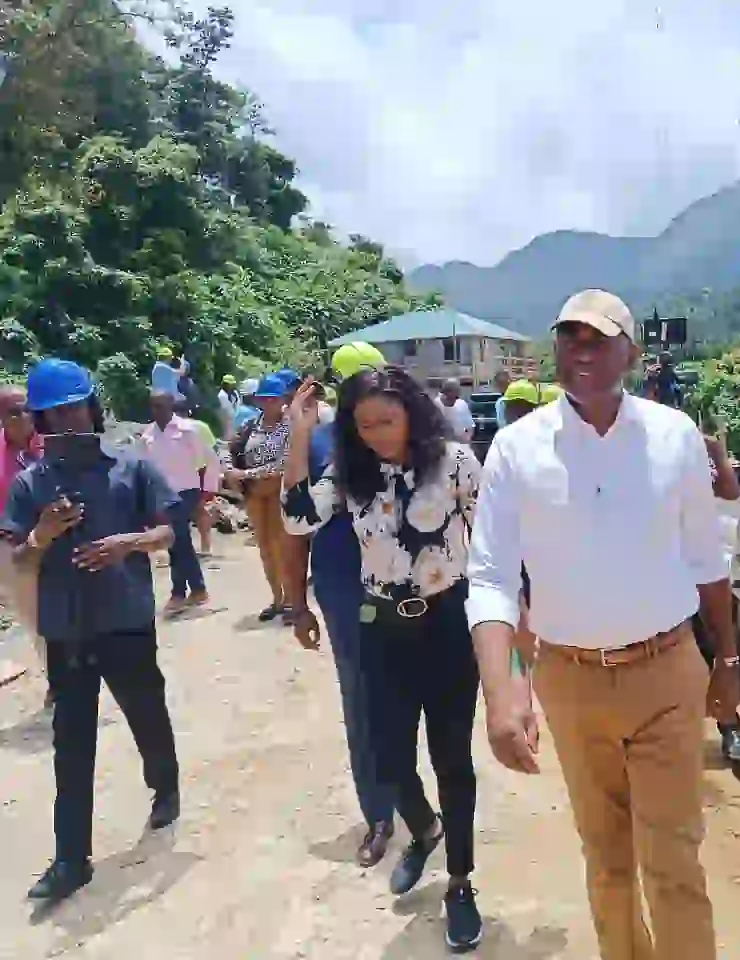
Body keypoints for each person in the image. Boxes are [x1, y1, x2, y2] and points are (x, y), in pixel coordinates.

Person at [468, 289, 736, 960]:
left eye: (598, 339)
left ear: (631, 354)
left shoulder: (674, 435)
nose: (581, 352)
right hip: (570, 679)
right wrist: (504, 692)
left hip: (666, 672)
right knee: (607, 858)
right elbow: (493, 579)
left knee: (673, 861)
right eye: (569, 338)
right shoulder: (515, 449)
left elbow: (707, 560)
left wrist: (727, 663)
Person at [282, 365, 485, 952]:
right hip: (382, 629)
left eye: (386, 421)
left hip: (446, 626)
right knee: (390, 761)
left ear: (411, 414)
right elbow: (296, 516)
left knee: (452, 760)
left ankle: (462, 884)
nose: (376, 434)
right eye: (363, 424)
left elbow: (494, 539)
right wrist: (300, 432)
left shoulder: (453, 462)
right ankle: (424, 829)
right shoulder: (352, 473)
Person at [3, 360, 181, 904]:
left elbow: (169, 532)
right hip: (68, 630)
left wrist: (126, 544)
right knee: (71, 744)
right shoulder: (31, 483)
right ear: (38, 421)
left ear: (92, 408)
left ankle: (165, 785)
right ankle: (70, 858)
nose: (66, 422)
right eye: (53, 415)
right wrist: (41, 535)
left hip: (124, 620)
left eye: (75, 409)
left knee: (145, 711)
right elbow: (18, 559)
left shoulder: (132, 466)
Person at [280, 342, 396, 871]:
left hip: (402, 590)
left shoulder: (405, 437)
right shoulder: (324, 445)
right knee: (363, 703)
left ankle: (406, 803)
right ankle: (379, 814)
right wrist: (297, 603)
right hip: (347, 591)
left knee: (400, 700)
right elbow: (296, 526)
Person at [698, 426, 740, 764]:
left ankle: (730, 728)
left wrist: (717, 452)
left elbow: (731, 491)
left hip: (701, 573)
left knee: (719, 650)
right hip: (656, 575)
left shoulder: (688, 455)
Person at [138, 393, 218, 617]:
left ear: (171, 405)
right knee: (178, 541)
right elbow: (144, 468)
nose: (157, 410)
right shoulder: (147, 436)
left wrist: (207, 491)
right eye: (153, 406)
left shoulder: (188, 431)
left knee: (178, 539)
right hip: (161, 494)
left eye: (161, 406)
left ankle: (180, 592)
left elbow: (207, 461)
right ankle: (196, 589)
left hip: (186, 491)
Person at [224, 373, 292, 623]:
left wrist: (246, 473)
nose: (268, 404)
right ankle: (277, 598)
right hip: (254, 494)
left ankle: (291, 601)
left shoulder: (291, 426)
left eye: (273, 399)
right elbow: (228, 446)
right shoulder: (251, 425)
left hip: (279, 492)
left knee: (283, 547)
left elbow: (284, 463)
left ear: (283, 399)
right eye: (264, 399)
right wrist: (228, 469)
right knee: (265, 548)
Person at [0, 385, 47, 690]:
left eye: (26, 408)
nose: (21, 416)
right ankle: (56, 678)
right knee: (34, 617)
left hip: (59, 537)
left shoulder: (52, 442)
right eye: (12, 411)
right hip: (12, 545)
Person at [188, 416, 219, 556]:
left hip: (177, 472)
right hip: (201, 470)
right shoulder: (201, 425)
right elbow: (213, 449)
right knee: (200, 509)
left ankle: (181, 548)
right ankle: (205, 546)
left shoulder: (160, 427)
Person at [436, 378, 474, 442]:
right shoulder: (436, 404)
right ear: (446, 392)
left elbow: (470, 425)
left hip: (461, 443)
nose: (455, 398)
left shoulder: (462, 403)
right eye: (454, 394)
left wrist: (468, 437)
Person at [217, 375, 240, 440]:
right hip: (226, 418)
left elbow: (238, 404)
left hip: (235, 418)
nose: (231, 386)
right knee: (227, 434)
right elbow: (226, 409)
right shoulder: (221, 395)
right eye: (230, 384)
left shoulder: (234, 393)